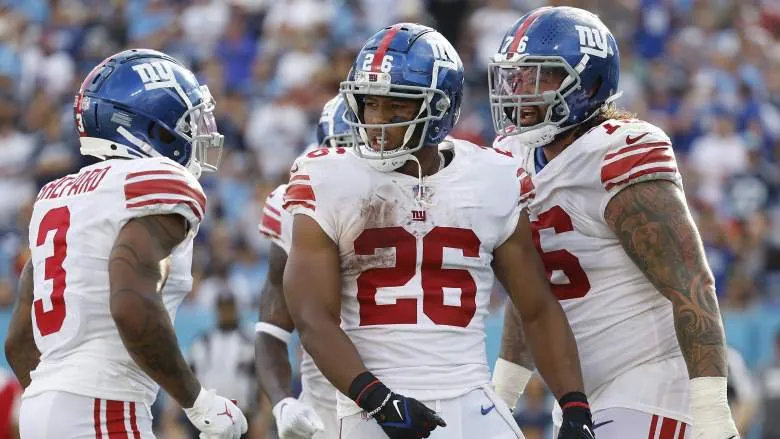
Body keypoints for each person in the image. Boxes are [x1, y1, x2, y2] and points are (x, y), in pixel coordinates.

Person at [282, 23, 595, 439]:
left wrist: (575, 406)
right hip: (373, 404)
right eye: (370, 103)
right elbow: (311, 317)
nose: (377, 120)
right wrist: (377, 399)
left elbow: (536, 307)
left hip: (471, 396)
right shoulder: (327, 178)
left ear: (440, 107)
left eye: (397, 105)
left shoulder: (492, 176)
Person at [487, 6, 739, 439]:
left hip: (650, 385)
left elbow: (691, 283)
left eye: (541, 77)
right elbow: (529, 292)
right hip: (579, 397)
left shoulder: (617, 152)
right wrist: (501, 399)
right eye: (518, 76)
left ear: (589, 83)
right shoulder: (513, 154)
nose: (521, 90)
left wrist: (713, 414)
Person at [3, 49, 247, 439]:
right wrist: (198, 402)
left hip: (41, 405)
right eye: (187, 121)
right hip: (104, 403)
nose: (197, 131)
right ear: (152, 125)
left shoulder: (58, 195)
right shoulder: (156, 183)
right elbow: (131, 305)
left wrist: (58, 406)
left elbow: (18, 342)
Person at [255, 94, 355, 439]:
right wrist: (282, 402)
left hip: (410, 394)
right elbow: (271, 329)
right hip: (326, 411)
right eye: (341, 152)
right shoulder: (296, 206)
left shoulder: (420, 200)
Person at [188, 291, 257, 438]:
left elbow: (261, 380)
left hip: (240, 414)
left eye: (229, 308)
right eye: (223, 308)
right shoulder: (203, 342)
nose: (226, 313)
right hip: (206, 415)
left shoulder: (249, 341)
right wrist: (173, 411)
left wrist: (263, 415)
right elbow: (189, 376)